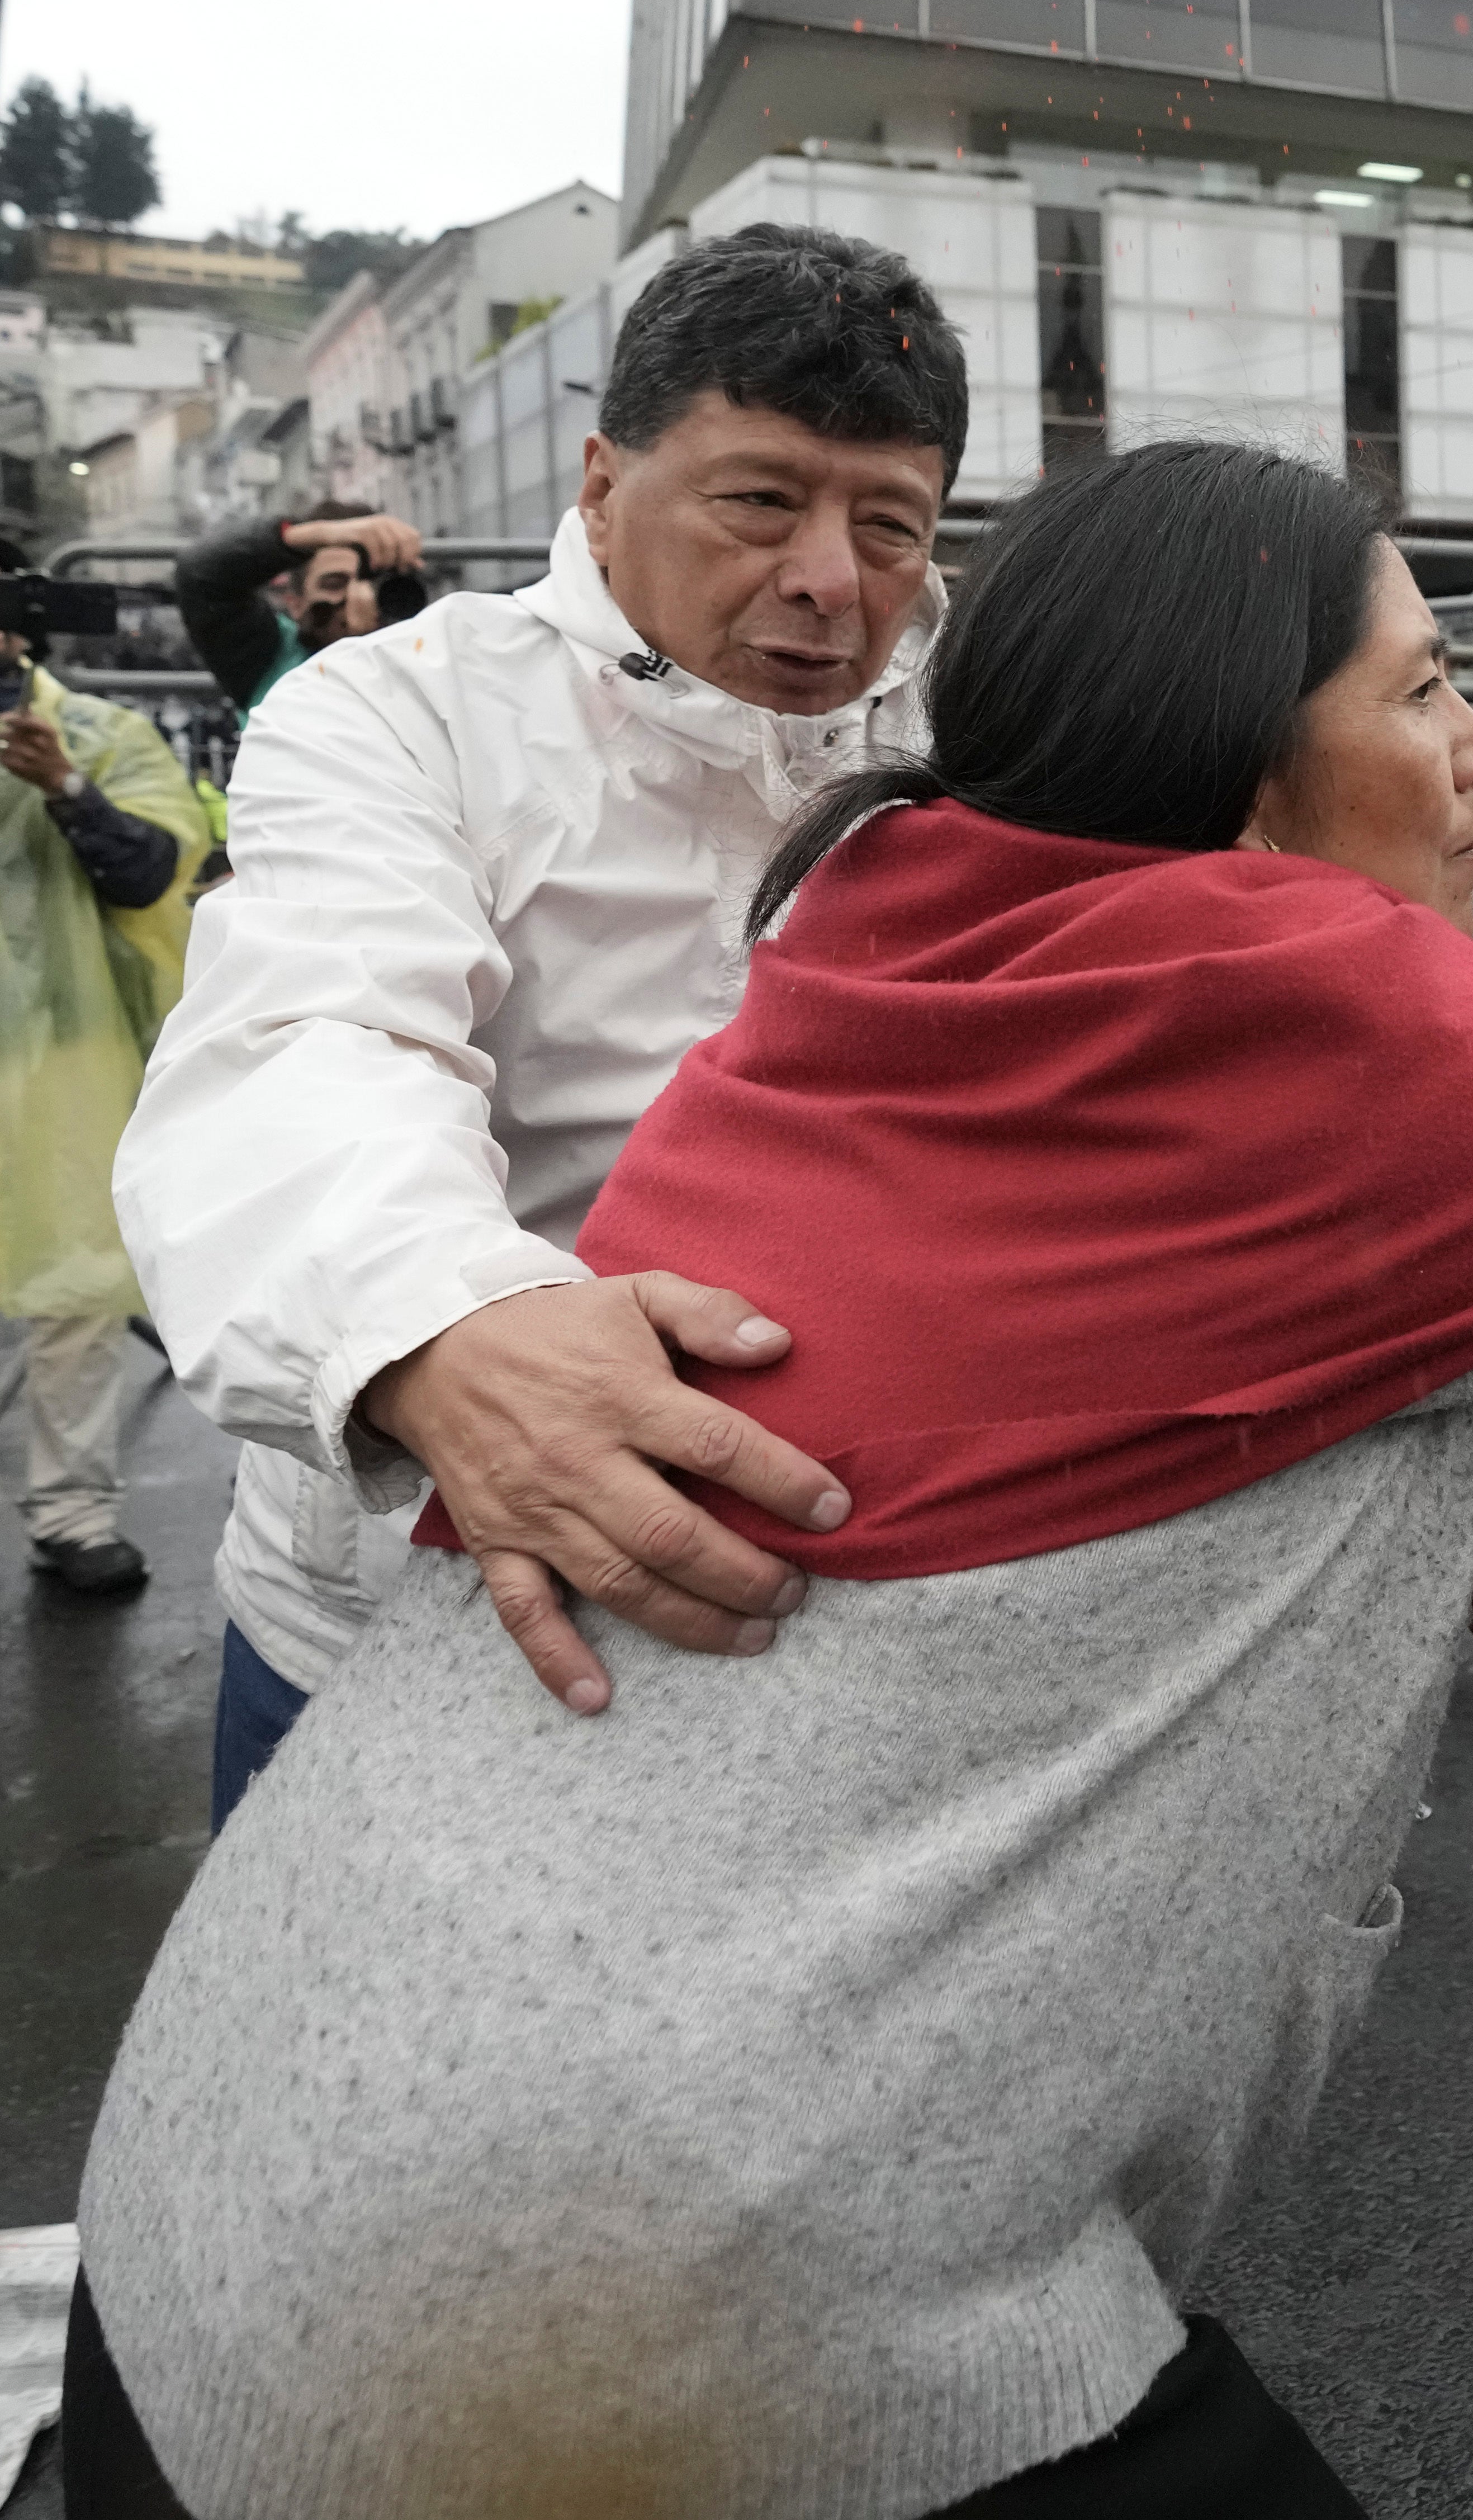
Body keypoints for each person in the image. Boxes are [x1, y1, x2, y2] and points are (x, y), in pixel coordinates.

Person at [64, 439, 1473, 2519]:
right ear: (1238, 767)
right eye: (1419, 691)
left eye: (889, 522)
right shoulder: (1319, 1007)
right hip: (662, 2323)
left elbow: (1378, 1307)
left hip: (232, 2187)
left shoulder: (888, 932)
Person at [115, 223, 963, 1827]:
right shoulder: (399, 706)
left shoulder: (971, 726)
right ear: (598, 486)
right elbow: (310, 1032)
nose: (827, 579)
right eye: (760, 499)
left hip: (838, 1604)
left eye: (890, 524)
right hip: (403, 1605)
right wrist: (441, 1328)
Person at [2, 570, 209, 1594]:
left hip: (63, 1055)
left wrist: (66, 789)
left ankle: (71, 1512)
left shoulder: (96, 732)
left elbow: (154, 871)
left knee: (75, 1285)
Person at [167, 499, 429, 715]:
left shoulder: (427, 658)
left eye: (373, 583)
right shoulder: (269, 659)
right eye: (335, 585)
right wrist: (318, 535)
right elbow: (199, 572)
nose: (358, 598)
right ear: (295, 603)